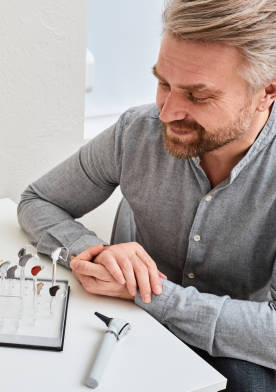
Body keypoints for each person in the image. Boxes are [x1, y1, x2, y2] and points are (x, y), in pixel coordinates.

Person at [18, 0, 276, 391]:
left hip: (237, 344)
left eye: (198, 96)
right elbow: (38, 201)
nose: (167, 111)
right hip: (123, 323)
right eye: (163, 83)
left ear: (266, 92)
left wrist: (150, 294)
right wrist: (95, 252)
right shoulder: (135, 133)